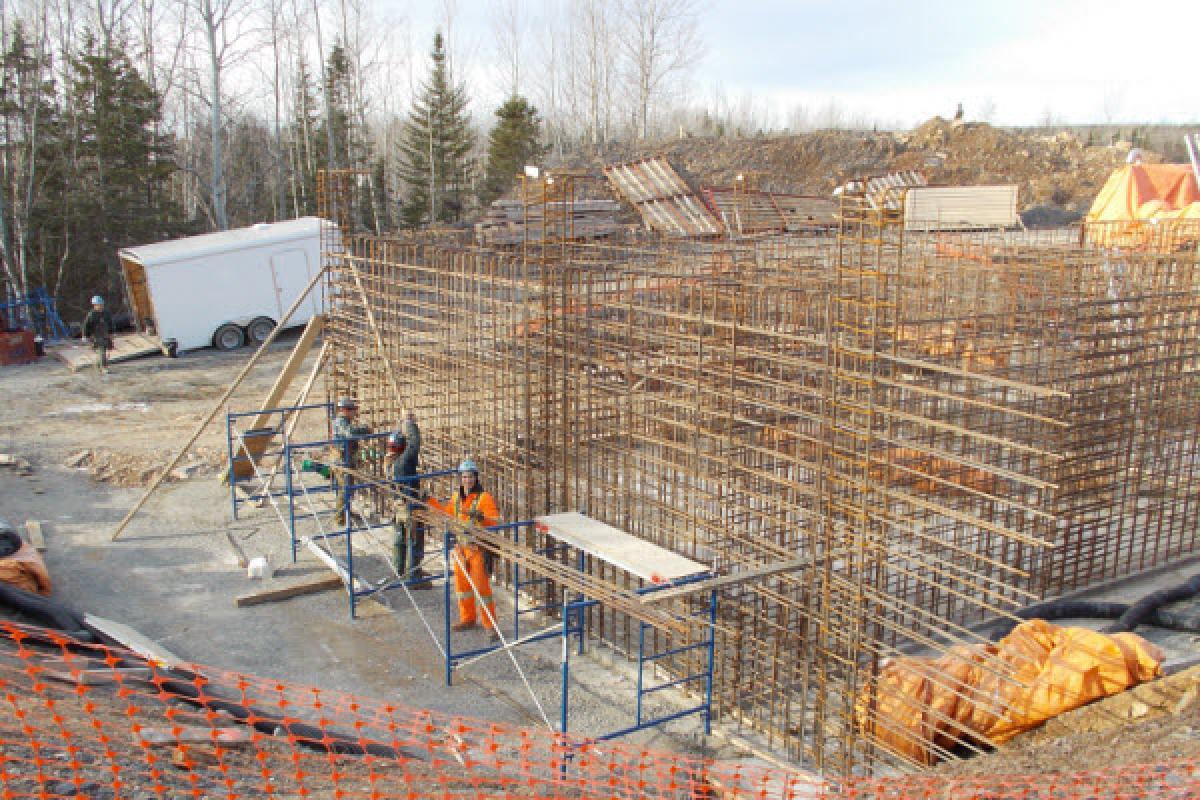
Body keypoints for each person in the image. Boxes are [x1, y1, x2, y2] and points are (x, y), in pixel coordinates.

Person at [428, 458, 501, 639]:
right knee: (462, 587)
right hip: (461, 548)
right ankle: (468, 618)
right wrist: (430, 501)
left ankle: (490, 625)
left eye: (470, 477)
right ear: (461, 478)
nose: (467, 480)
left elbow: (495, 520)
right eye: (465, 477)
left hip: (477, 549)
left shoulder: (484, 498)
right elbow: (447, 514)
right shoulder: (456, 498)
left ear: (476, 478)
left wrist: (481, 516)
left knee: (481, 588)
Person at [383, 409, 431, 586]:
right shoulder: (402, 463)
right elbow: (415, 444)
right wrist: (409, 423)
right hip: (410, 507)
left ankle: (400, 571)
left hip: (397, 507)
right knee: (414, 542)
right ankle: (414, 577)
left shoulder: (388, 462)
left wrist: (401, 424)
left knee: (400, 540)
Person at [329, 396, 368, 525]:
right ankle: (340, 519)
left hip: (345, 458)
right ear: (345, 410)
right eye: (353, 410)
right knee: (345, 488)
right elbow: (350, 433)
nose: (355, 413)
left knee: (347, 488)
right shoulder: (341, 422)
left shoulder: (343, 421)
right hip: (341, 460)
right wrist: (365, 430)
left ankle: (346, 512)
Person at [81, 296, 114, 375]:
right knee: (101, 351)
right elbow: (86, 325)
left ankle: (98, 365)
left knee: (104, 351)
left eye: (101, 305)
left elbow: (111, 323)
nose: (100, 306)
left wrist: (112, 333)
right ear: (94, 305)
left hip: (105, 334)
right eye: (98, 305)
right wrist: (85, 336)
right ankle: (104, 368)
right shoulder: (91, 314)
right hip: (96, 335)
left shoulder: (106, 313)